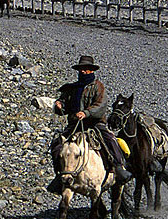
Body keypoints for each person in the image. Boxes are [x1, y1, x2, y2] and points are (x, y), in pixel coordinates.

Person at [46, 55, 131, 194]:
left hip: (95, 123)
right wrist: (59, 105)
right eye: (82, 69)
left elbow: (101, 105)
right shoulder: (71, 88)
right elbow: (65, 107)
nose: (83, 71)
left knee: (110, 140)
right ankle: (60, 175)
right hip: (75, 124)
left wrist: (86, 113)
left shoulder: (98, 86)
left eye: (86, 69)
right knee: (57, 145)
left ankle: (118, 168)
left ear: (92, 70)